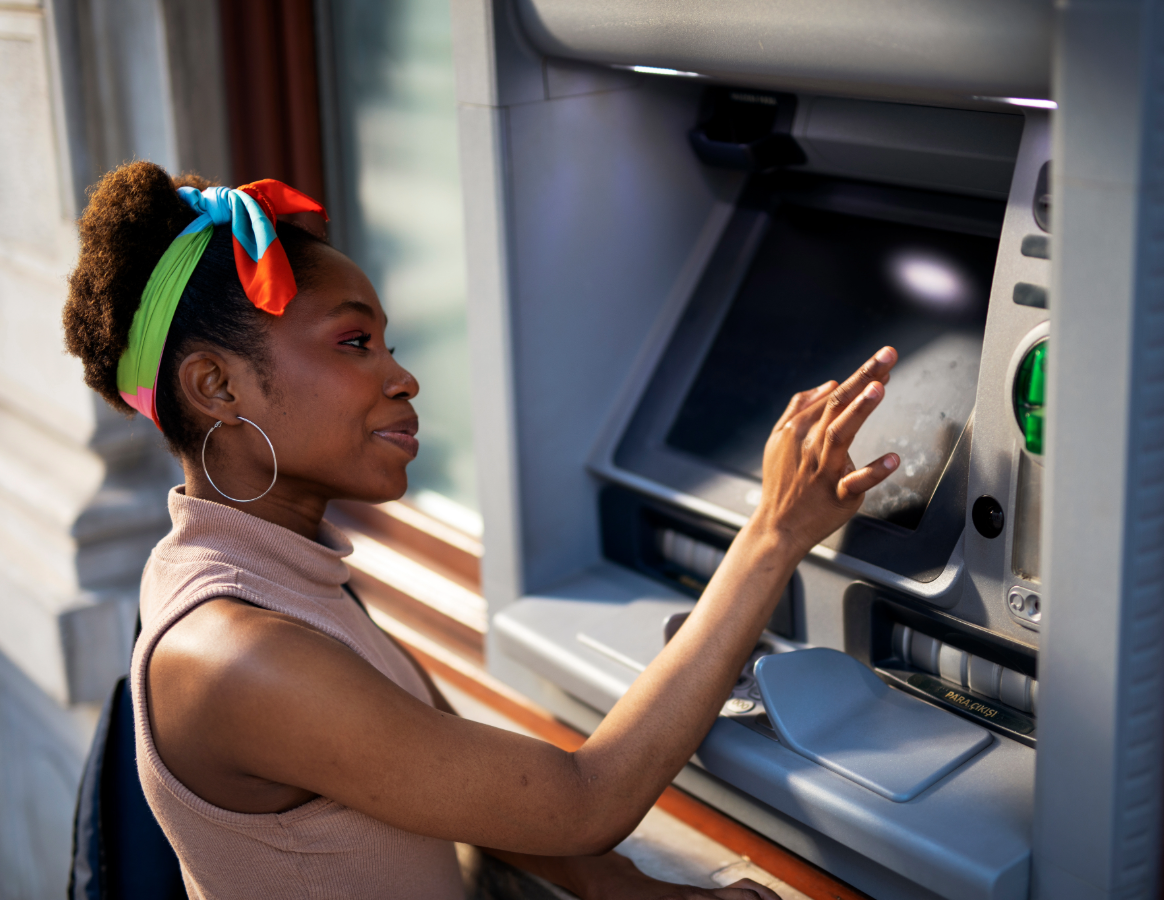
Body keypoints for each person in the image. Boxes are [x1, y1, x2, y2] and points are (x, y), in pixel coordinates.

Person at [61, 162, 901, 900]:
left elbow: (439, 772)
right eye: (354, 342)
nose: (402, 376)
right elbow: (583, 801)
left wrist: (618, 889)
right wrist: (773, 534)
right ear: (217, 386)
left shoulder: (272, 573)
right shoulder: (240, 654)